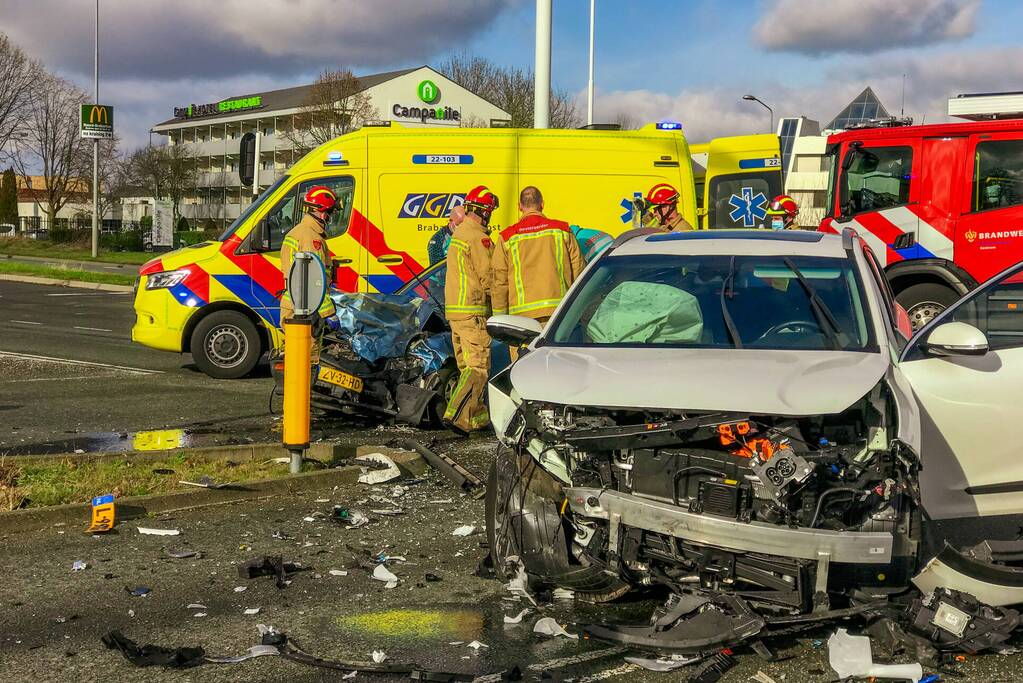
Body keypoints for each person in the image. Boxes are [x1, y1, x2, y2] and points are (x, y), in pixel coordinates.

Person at [492, 186, 584, 358]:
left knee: (523, 369)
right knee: (558, 365)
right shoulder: (562, 230)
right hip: (559, 315)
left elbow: (499, 282)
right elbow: (579, 270)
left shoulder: (507, 237)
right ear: (542, 204)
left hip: (521, 321)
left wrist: (500, 318)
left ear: (519, 206)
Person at [441, 185, 498, 435]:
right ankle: (456, 415)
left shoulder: (459, 233)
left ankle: (477, 419)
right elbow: (489, 276)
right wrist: (500, 307)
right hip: (473, 311)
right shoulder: (478, 237)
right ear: (485, 212)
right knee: (478, 367)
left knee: (467, 369)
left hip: (456, 313)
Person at [279, 185, 340, 361]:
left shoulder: (301, 232)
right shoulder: (310, 237)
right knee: (306, 360)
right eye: (330, 212)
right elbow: (314, 281)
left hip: (297, 306)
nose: (329, 217)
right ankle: (301, 389)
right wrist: (328, 313)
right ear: (322, 212)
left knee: (297, 357)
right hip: (305, 308)